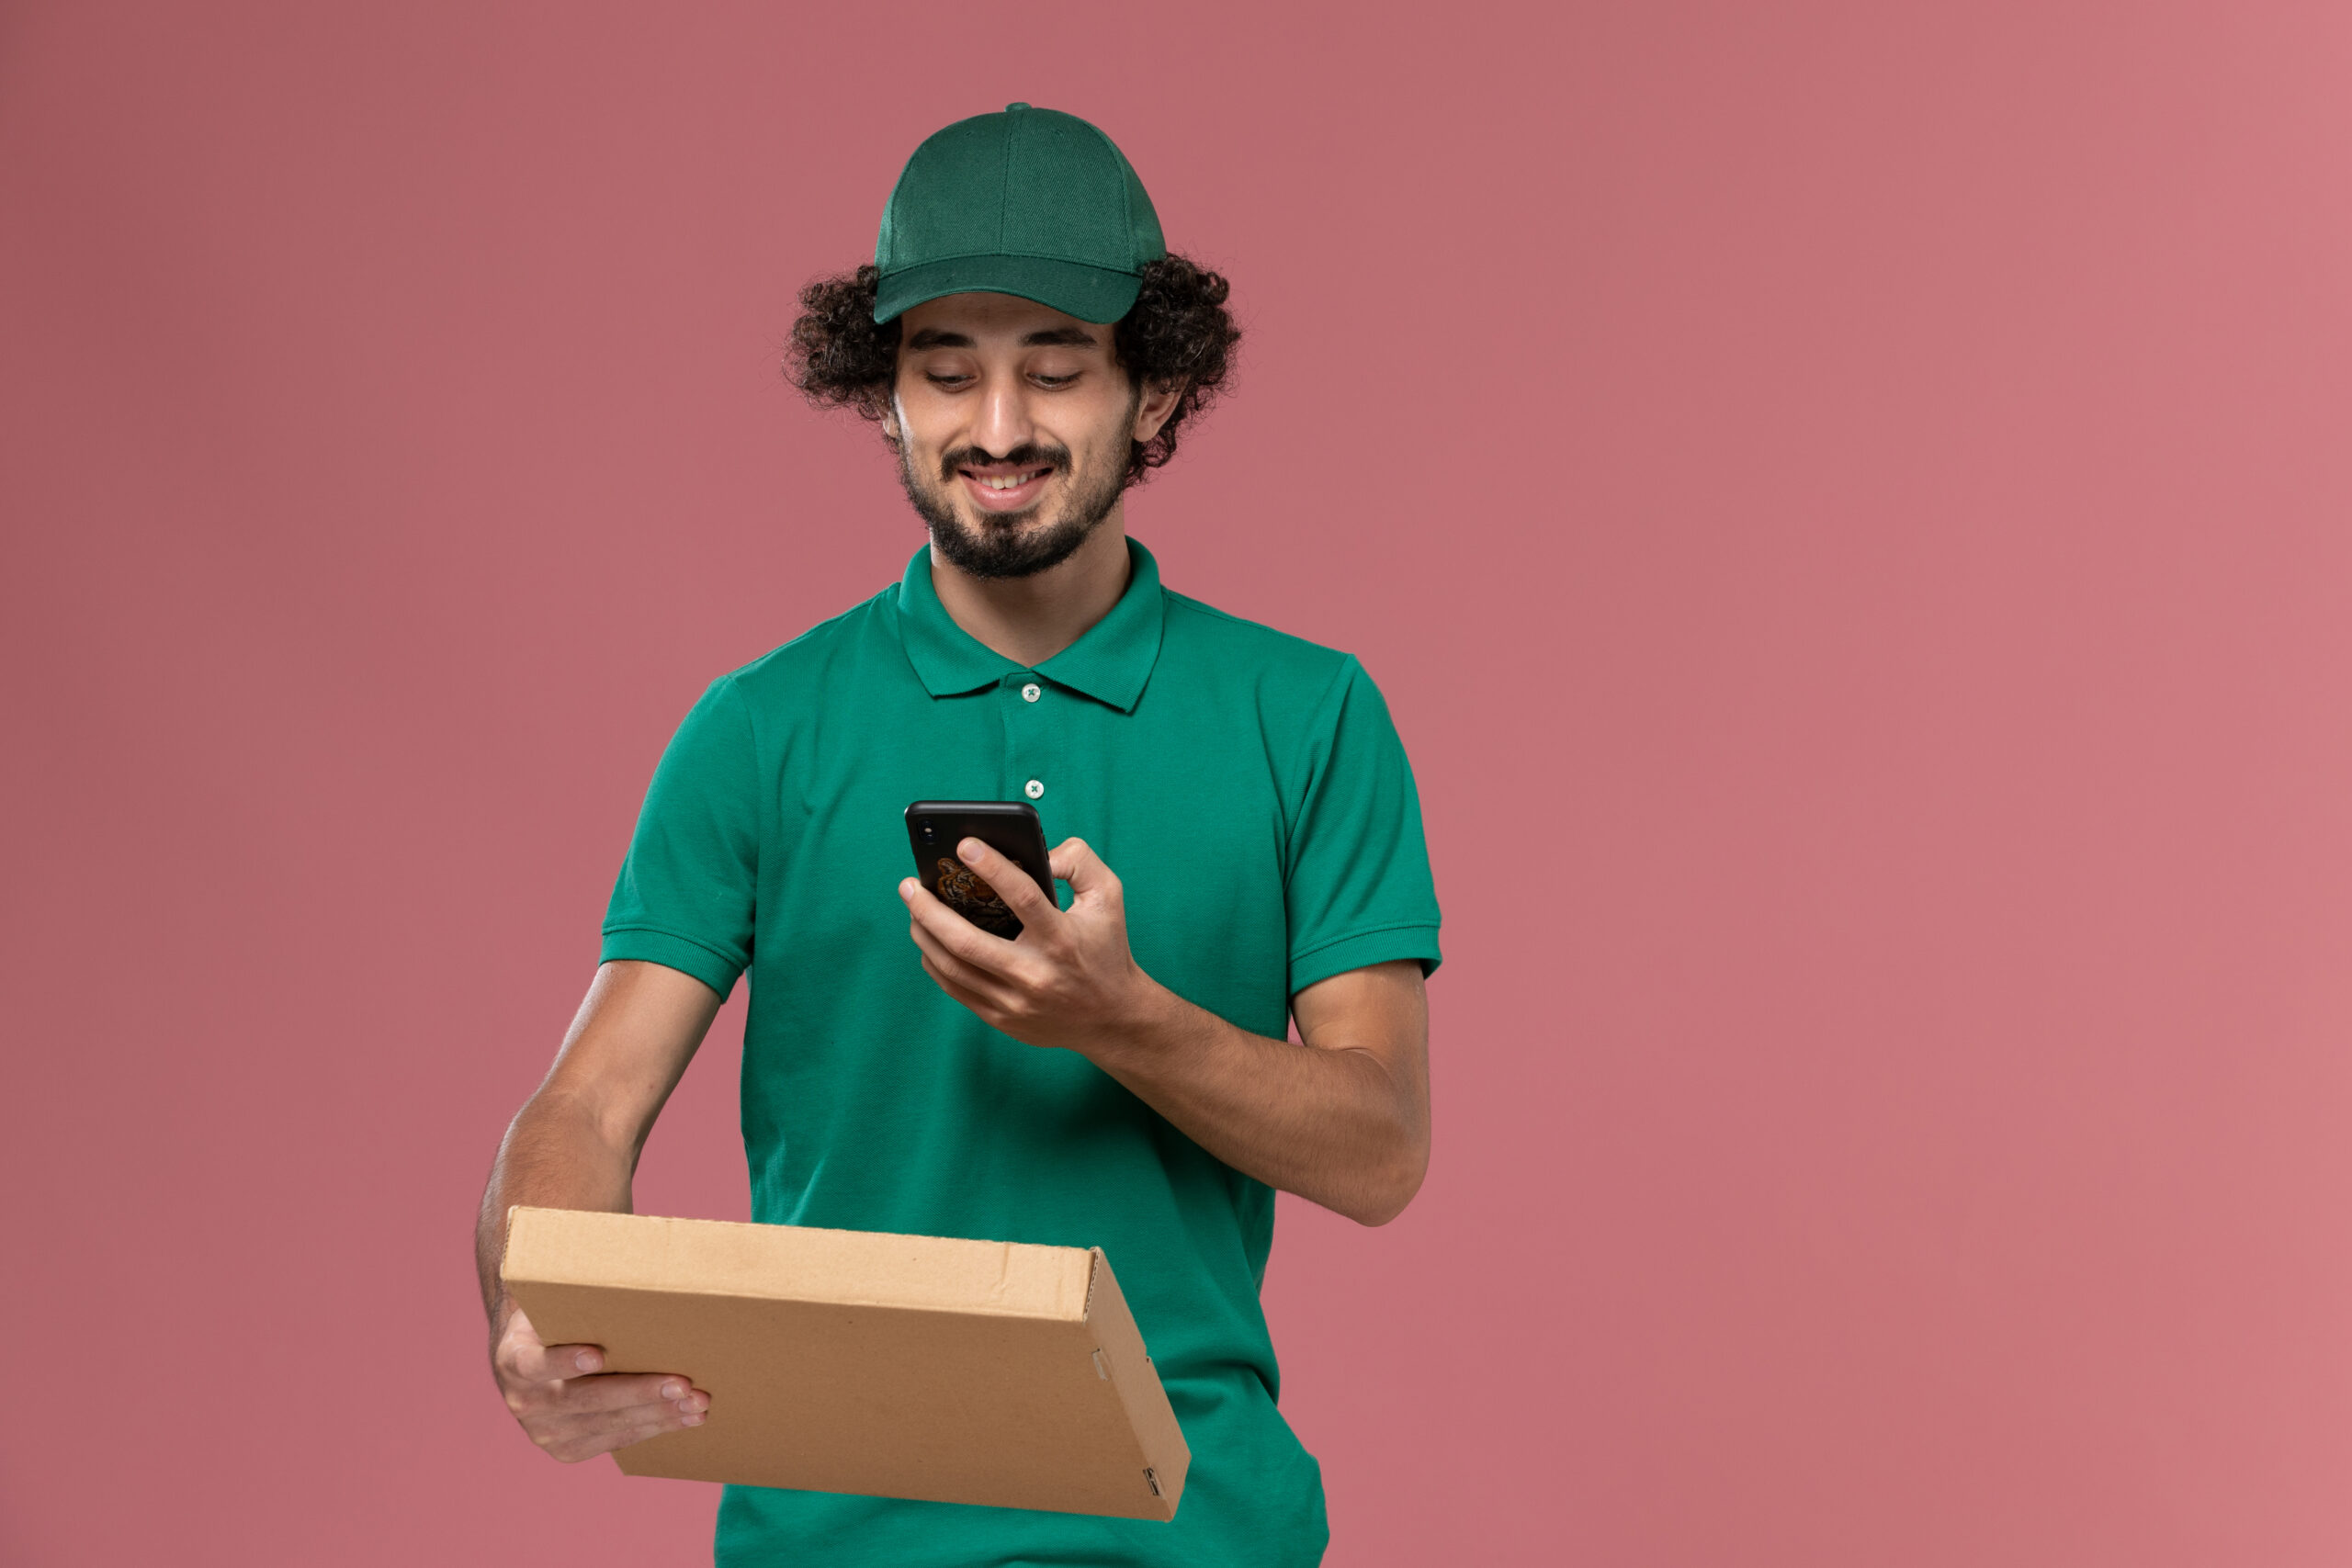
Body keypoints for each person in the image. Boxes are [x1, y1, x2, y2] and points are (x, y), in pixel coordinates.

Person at [474, 103, 1442, 1567]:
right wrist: (537, 1318)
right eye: (945, 375)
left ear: (1159, 393)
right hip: (831, 1537)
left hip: (1195, 1530)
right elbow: (584, 1110)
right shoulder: (759, 729)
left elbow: (1380, 1151)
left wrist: (1122, 1022)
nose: (997, 432)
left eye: (1054, 373)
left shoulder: (1307, 718)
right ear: (883, 396)